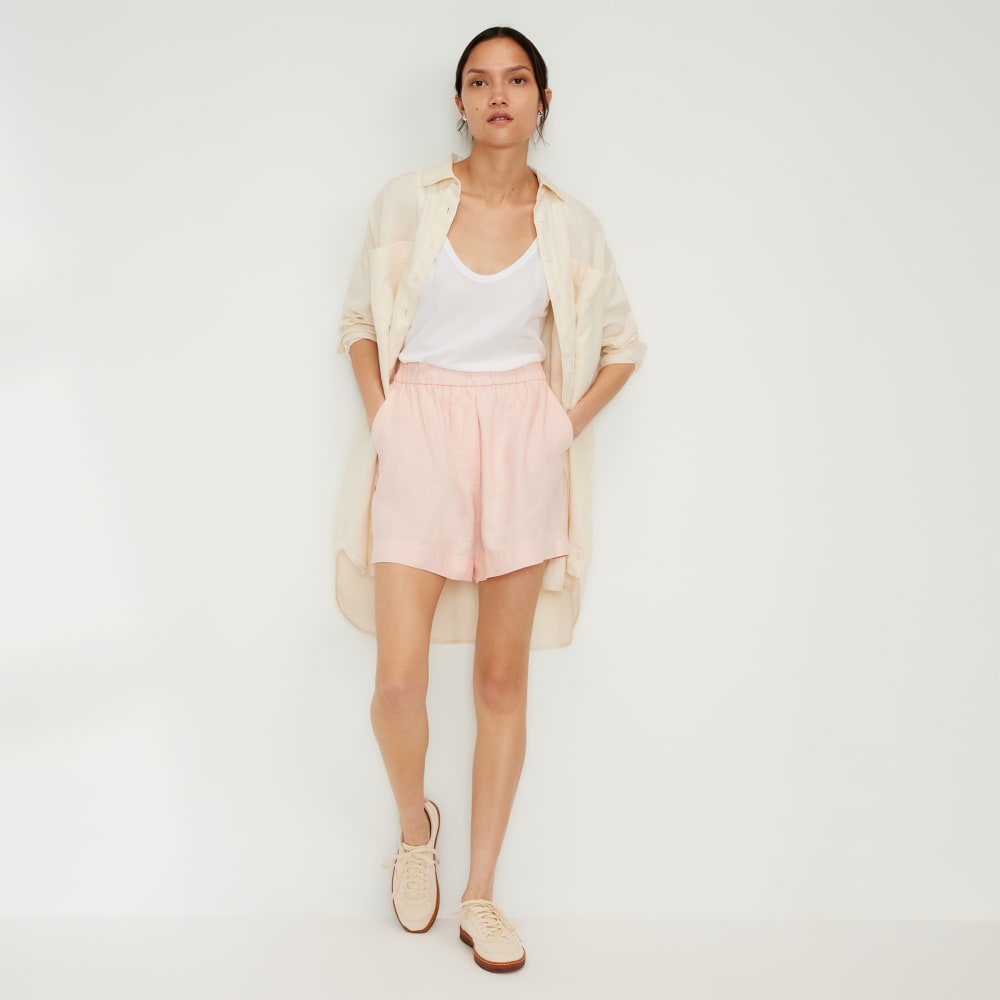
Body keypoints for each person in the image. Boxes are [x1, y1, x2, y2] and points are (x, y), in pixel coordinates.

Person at [335, 25, 646, 973]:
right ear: (460, 102)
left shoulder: (572, 225)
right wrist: (386, 417)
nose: (497, 96)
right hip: (420, 427)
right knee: (398, 681)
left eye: (516, 80)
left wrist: (559, 426)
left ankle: (481, 892)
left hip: (520, 436)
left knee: (502, 682)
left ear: (543, 101)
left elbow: (624, 346)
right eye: (479, 81)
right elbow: (358, 321)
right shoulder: (409, 202)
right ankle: (414, 827)